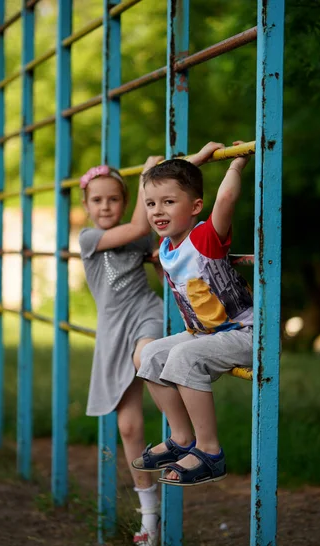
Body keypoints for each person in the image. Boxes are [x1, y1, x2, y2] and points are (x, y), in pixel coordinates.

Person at [132, 141, 253, 487]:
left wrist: (235, 165)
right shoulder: (167, 245)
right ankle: (182, 438)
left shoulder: (204, 238)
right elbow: (158, 182)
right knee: (150, 354)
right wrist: (195, 161)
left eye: (169, 202)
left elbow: (226, 200)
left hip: (244, 332)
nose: (158, 209)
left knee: (184, 357)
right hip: (206, 334)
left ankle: (210, 451)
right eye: (152, 204)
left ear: (196, 206)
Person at [78, 158, 164, 546]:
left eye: (114, 199)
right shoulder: (88, 239)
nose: (106, 206)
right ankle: (150, 512)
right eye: (97, 200)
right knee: (128, 428)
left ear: (126, 199)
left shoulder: (140, 237)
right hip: (113, 331)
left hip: (146, 313)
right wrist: (146, 175)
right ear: (86, 206)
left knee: (145, 357)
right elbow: (138, 226)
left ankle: (181, 428)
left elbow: (161, 248)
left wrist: (162, 259)